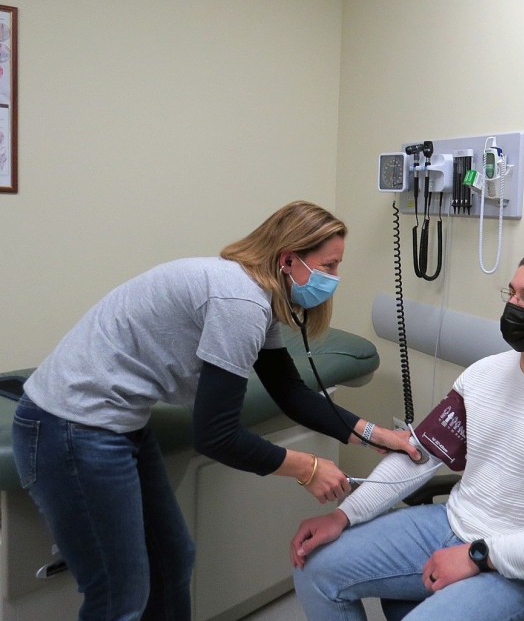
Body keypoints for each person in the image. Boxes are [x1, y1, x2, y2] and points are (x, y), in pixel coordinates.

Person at [11, 200, 420, 621]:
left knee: (172, 563)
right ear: (287, 260)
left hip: (116, 423)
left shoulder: (258, 294)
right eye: (329, 266)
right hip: (69, 428)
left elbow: (290, 392)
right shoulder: (239, 301)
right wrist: (308, 467)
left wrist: (378, 435)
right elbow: (217, 436)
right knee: (119, 598)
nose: (335, 278)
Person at [290, 248, 524, 621]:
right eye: (512, 293)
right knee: (315, 564)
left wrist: (478, 555)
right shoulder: (483, 374)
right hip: (452, 523)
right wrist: (344, 516)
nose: (514, 306)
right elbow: (418, 456)